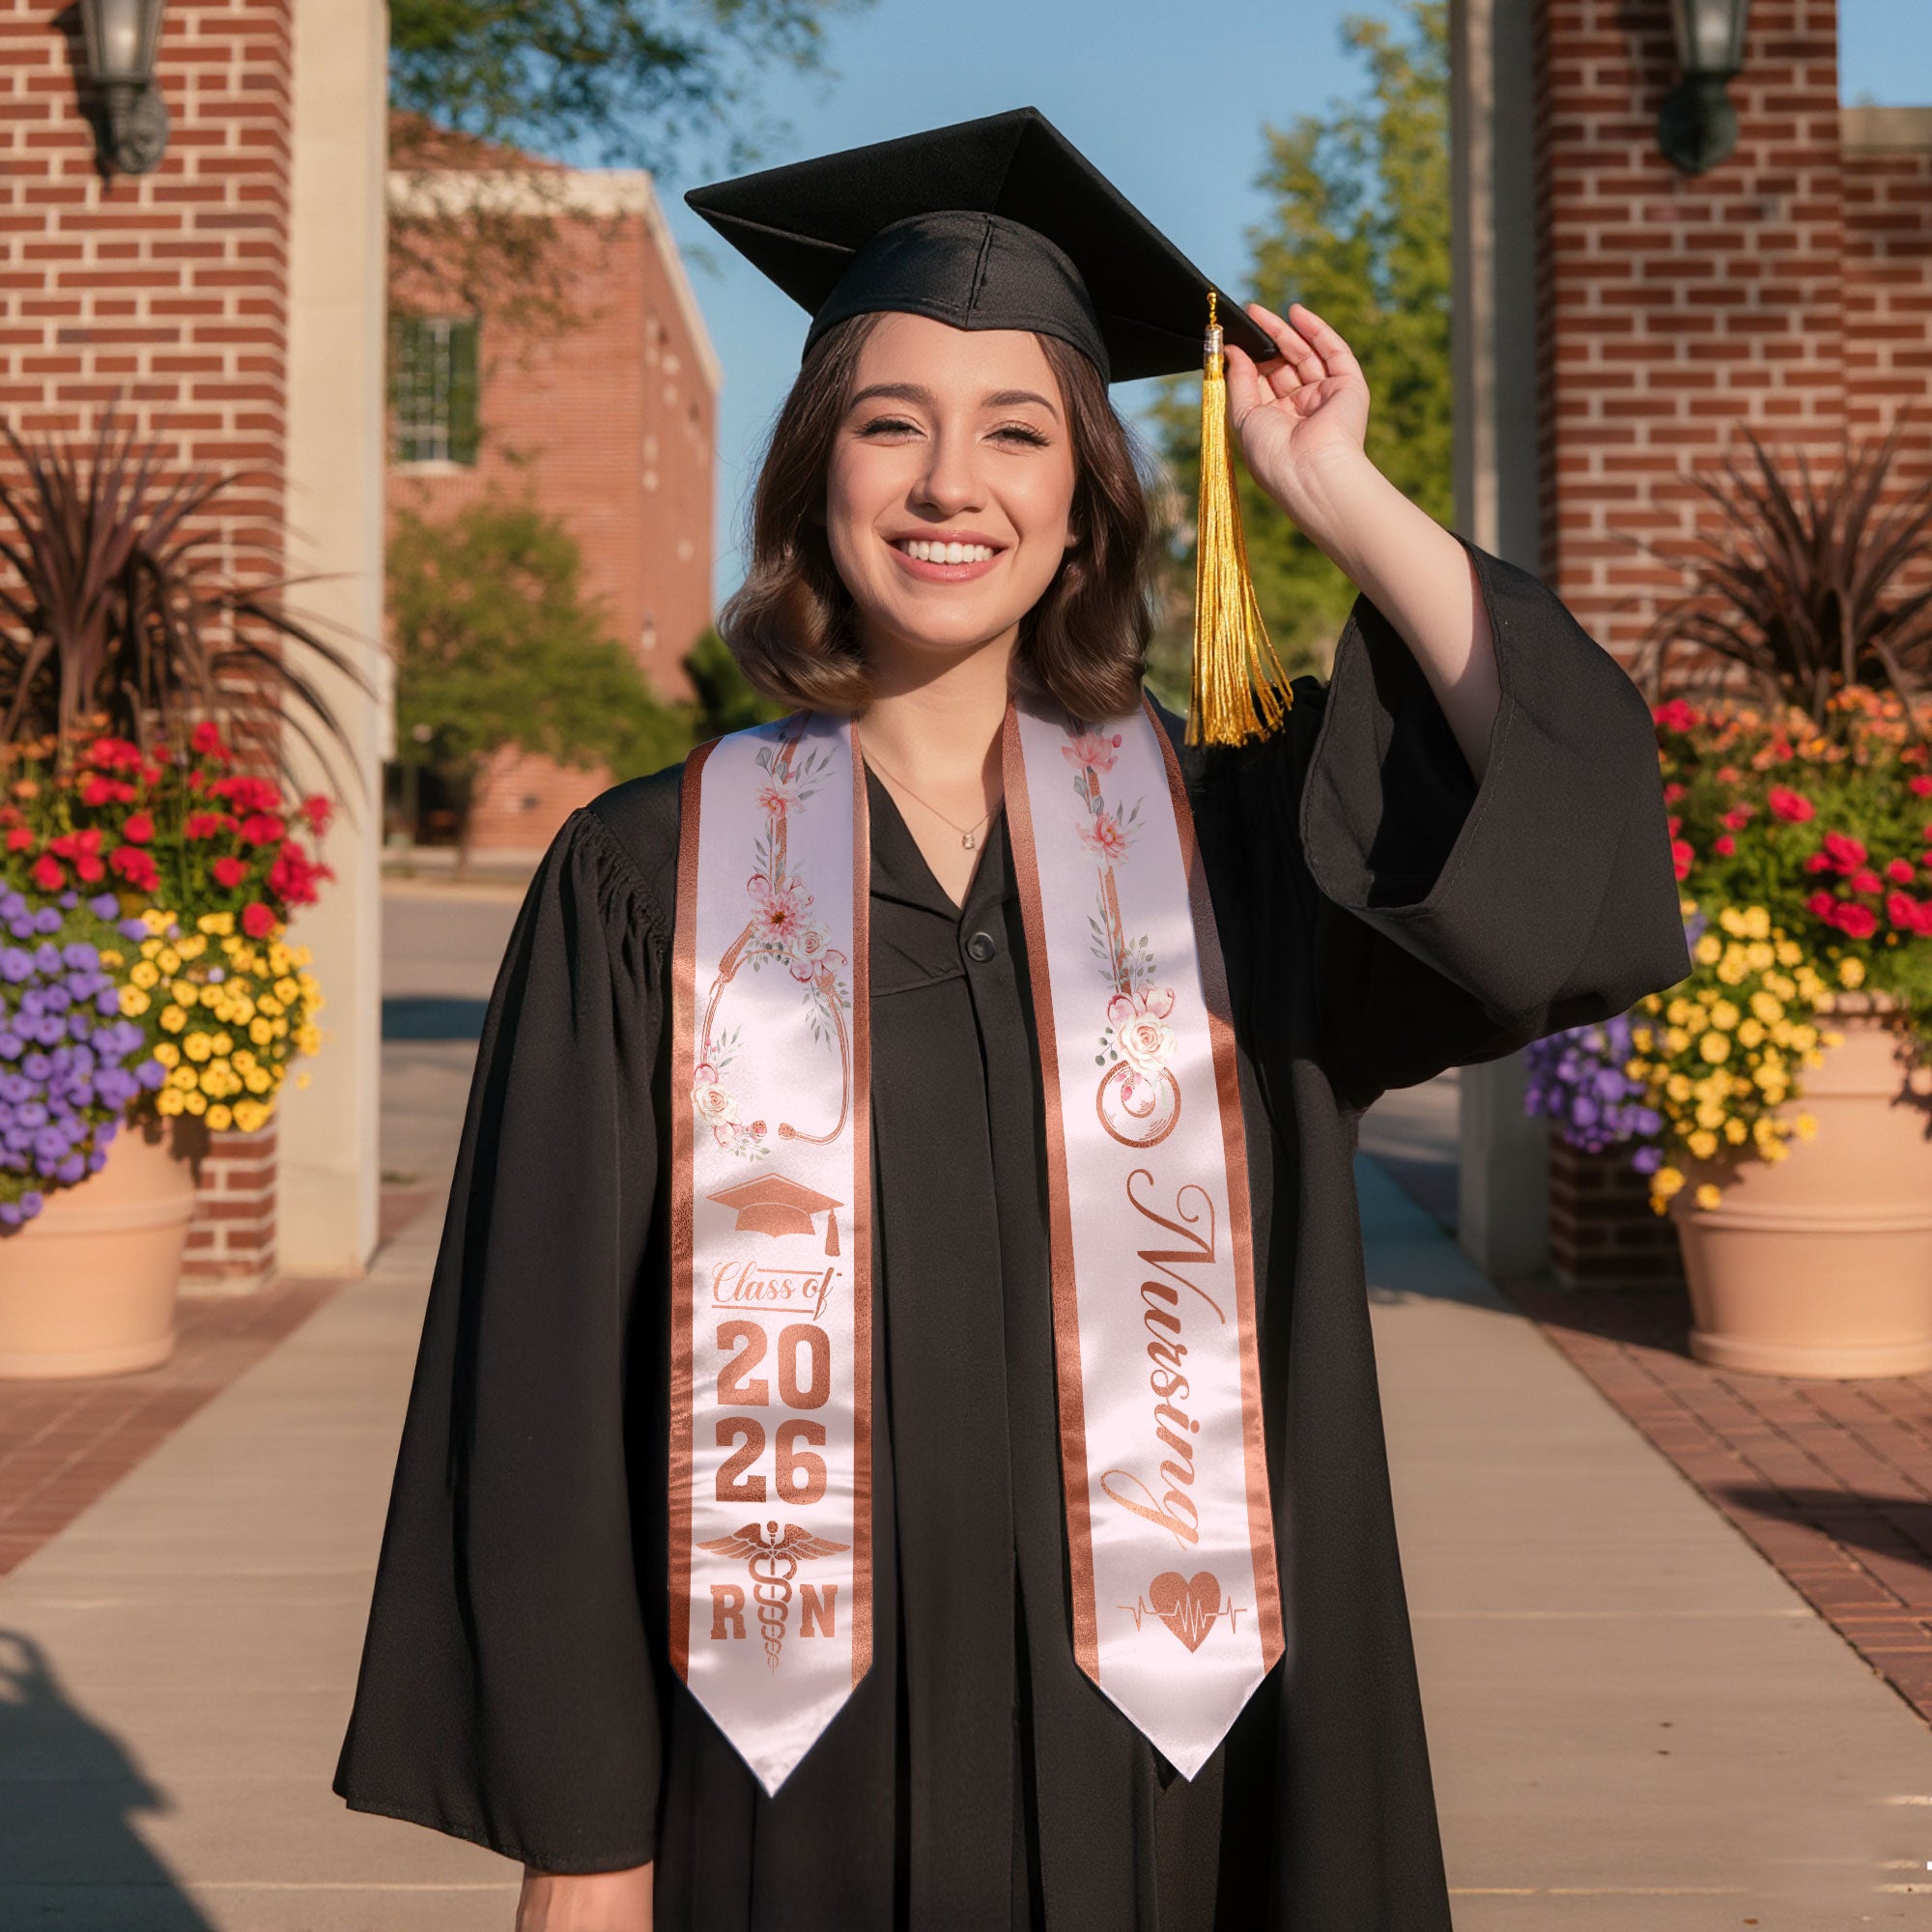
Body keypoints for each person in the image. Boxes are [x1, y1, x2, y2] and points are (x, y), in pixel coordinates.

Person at [333, 108, 1690, 1931]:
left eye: (1017, 432)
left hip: (1185, 1780)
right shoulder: (646, 878)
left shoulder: (1234, 856)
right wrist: (585, 1843)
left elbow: (1560, 828)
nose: (948, 483)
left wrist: (1336, 492)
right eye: (892, 424)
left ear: (1084, 504)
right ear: (818, 472)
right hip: (781, 1782)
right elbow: (547, 1384)